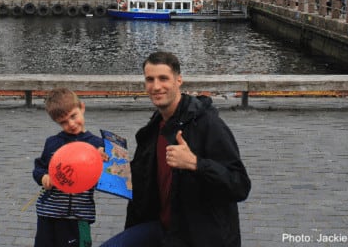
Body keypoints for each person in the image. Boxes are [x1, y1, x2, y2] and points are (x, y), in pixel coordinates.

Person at [101, 51, 251, 247]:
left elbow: (240, 185)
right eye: (150, 79)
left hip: (198, 236)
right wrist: (106, 164)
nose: (156, 86)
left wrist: (195, 163)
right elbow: (142, 179)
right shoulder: (154, 127)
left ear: (178, 80)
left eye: (163, 78)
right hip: (163, 228)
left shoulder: (208, 124)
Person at [32, 88, 107, 247]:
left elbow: (106, 176)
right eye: (63, 122)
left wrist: (103, 159)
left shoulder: (98, 145)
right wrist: (44, 177)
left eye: (73, 116)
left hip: (79, 216)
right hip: (48, 213)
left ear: (82, 107)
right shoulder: (52, 143)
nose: (71, 124)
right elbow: (39, 168)